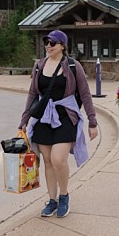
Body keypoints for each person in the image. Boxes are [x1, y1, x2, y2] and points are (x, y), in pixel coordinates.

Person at [19, 30, 98, 219]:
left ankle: (64, 196)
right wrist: (24, 120)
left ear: (62, 45)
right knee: (47, 161)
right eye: (46, 42)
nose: (48, 45)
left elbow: (85, 94)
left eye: (53, 43)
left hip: (65, 117)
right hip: (43, 119)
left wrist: (92, 121)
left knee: (58, 159)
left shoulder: (73, 66)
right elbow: (32, 94)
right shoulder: (39, 66)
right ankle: (52, 200)